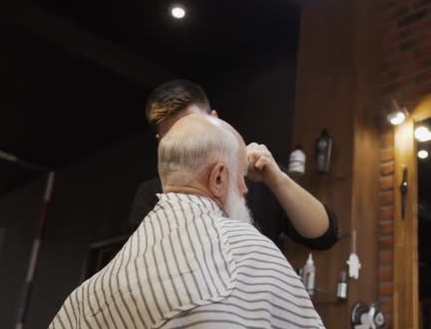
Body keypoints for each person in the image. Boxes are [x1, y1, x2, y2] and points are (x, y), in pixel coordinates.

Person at [49, 115, 325, 329]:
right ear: (218, 178)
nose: (245, 189)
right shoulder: (245, 251)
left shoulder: (86, 296)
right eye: (240, 177)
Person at [129, 79, 339, 250]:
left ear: (215, 120)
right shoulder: (152, 195)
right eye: (175, 134)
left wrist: (277, 179)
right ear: (161, 142)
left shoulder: (260, 177)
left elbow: (324, 236)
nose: (188, 140)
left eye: (196, 127)